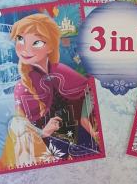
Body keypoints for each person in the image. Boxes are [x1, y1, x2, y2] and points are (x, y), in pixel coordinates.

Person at [9, 13, 98, 158]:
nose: (25, 49)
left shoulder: (61, 70)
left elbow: (90, 90)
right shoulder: (21, 87)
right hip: (51, 148)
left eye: (36, 43)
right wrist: (43, 132)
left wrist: (84, 118)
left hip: (82, 140)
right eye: (20, 39)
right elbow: (20, 127)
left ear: (50, 47)